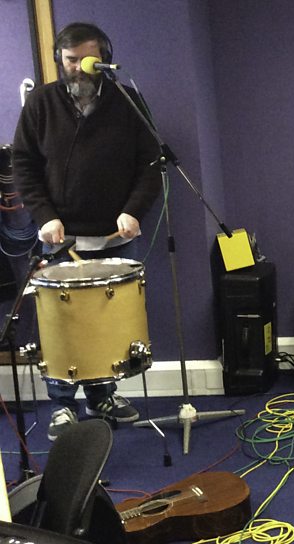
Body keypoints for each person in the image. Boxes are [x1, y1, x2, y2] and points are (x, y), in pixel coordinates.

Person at [12, 22, 160, 440]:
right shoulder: (41, 104)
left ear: (104, 59)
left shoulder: (128, 101)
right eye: (70, 60)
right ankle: (61, 404)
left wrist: (134, 210)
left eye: (87, 60)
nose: (78, 68)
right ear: (60, 60)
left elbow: (151, 163)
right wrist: (44, 215)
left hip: (115, 236)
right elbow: (23, 164)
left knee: (104, 324)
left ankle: (102, 396)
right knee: (61, 325)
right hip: (60, 237)